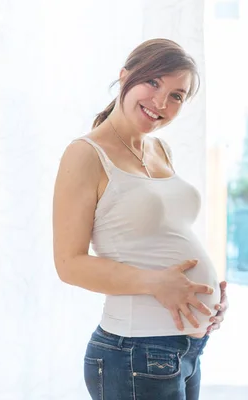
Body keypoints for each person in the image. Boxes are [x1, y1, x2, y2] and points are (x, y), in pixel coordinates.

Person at [52, 38, 229, 399]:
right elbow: (69, 264)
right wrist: (158, 284)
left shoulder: (160, 149)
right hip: (135, 351)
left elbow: (160, 236)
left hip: (185, 349)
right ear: (124, 77)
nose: (161, 103)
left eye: (177, 96)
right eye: (153, 83)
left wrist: (206, 301)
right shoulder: (85, 154)